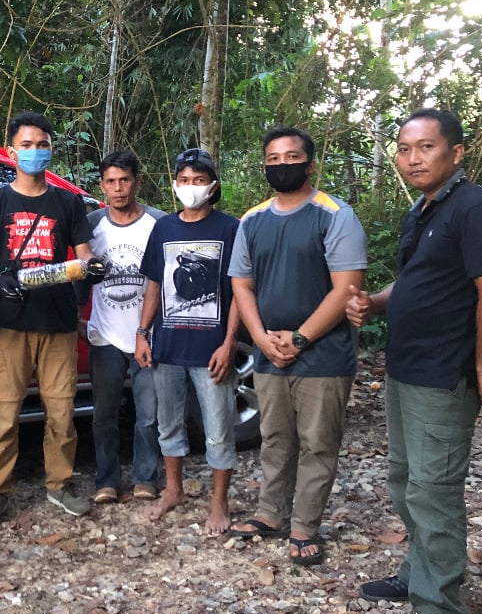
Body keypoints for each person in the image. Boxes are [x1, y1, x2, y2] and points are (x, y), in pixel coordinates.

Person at [346, 109, 482, 614]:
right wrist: (373, 303)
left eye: (425, 147)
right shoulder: (423, 209)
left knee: (434, 491)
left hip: (445, 374)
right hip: (404, 368)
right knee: (404, 479)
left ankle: (441, 611)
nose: (412, 158)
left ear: (456, 152)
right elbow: (417, 281)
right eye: (403, 148)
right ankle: (416, 572)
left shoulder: (476, 208)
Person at [226, 127, 366, 567]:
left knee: (318, 443)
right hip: (269, 353)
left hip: (323, 355)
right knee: (274, 439)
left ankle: (304, 525)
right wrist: (262, 337)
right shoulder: (251, 220)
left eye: (291, 157)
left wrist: (302, 337)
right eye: (273, 158)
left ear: (309, 163)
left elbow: (347, 288)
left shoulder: (335, 215)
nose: (282, 164)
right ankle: (270, 514)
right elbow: (242, 286)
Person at [0, 111, 105, 528]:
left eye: (42, 144)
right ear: (10, 151)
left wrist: (92, 267)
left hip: (58, 321)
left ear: (51, 148)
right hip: (11, 322)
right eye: (26, 145)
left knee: (62, 412)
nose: (35, 151)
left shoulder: (67, 202)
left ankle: (60, 483)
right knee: (5, 414)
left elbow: (83, 254)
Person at [135, 148, 242, 536]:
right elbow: (154, 284)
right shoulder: (163, 228)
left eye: (199, 180)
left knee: (218, 429)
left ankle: (219, 503)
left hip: (211, 350)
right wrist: (142, 333)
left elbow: (240, 291)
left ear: (213, 185)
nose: (191, 187)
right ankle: (173, 490)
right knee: (168, 424)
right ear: (174, 183)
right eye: (184, 180)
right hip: (168, 347)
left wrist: (230, 343)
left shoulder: (231, 229)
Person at [84, 151, 165, 504]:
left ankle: (146, 477)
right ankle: (107, 480)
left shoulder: (158, 225)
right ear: (101, 186)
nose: (119, 189)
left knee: (148, 414)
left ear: (137, 182)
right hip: (105, 334)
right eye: (111, 182)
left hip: (148, 335)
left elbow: (164, 281)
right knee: (104, 413)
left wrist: (147, 331)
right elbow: (75, 271)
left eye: (125, 180)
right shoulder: (91, 226)